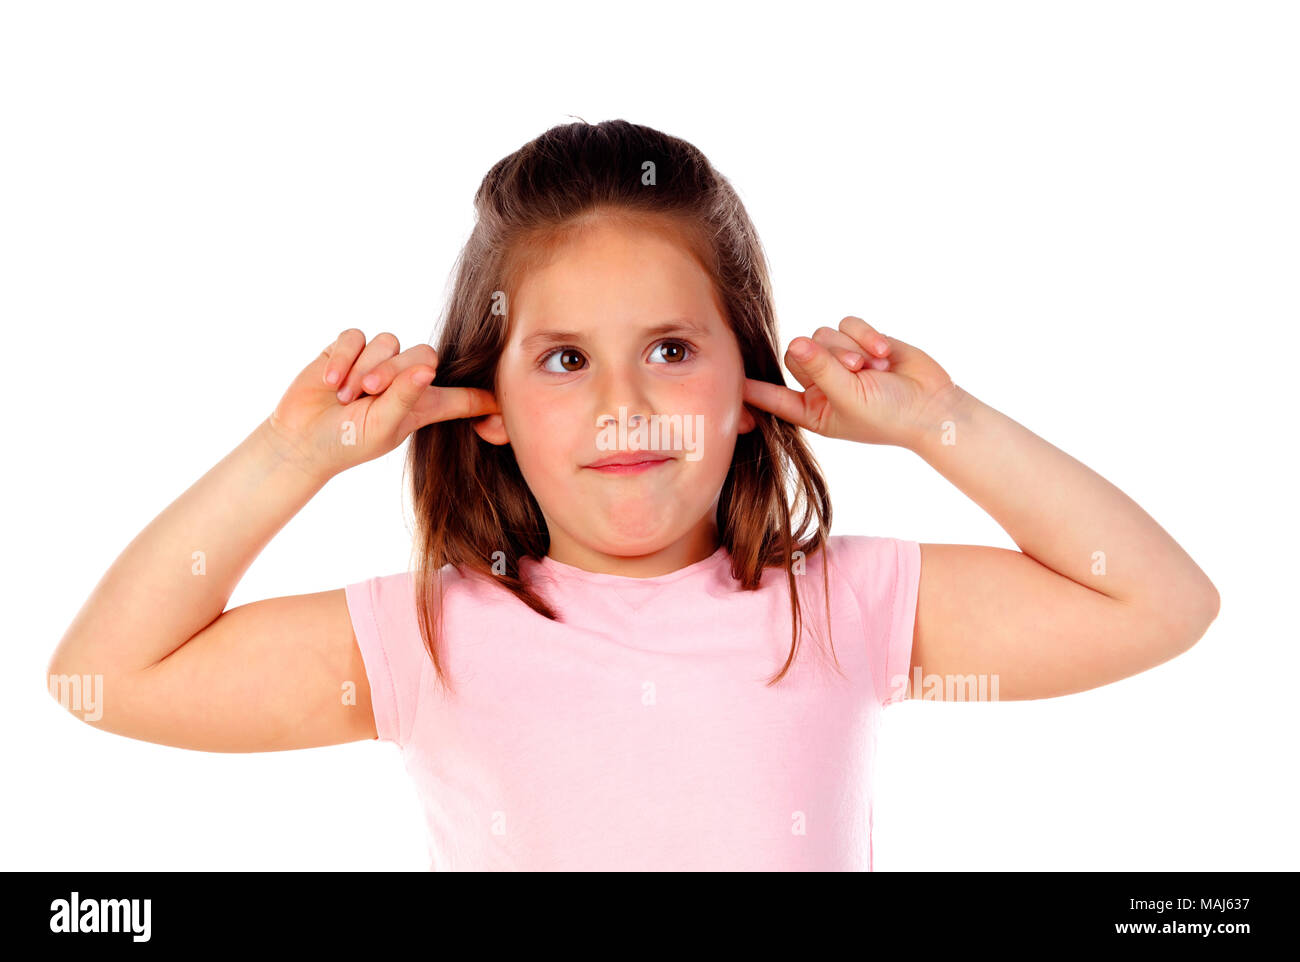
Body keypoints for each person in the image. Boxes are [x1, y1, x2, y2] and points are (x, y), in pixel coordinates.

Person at [47, 119, 1219, 870]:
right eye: (564, 359)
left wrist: (938, 424)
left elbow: (1160, 604)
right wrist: (286, 457)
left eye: (669, 348)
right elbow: (106, 678)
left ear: (747, 375)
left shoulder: (840, 604)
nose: (624, 404)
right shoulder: (428, 633)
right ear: (484, 402)